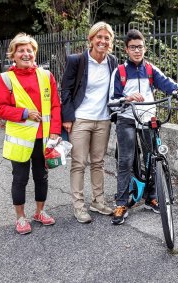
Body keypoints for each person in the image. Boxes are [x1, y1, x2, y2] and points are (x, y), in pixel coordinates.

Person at [109, 29, 178, 225]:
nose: (137, 51)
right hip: (127, 118)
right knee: (126, 160)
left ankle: (152, 196)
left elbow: (168, 84)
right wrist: (126, 99)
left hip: (147, 118)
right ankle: (121, 203)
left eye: (140, 47)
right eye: (133, 47)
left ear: (145, 48)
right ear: (126, 49)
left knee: (152, 158)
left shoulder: (150, 69)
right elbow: (112, 100)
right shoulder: (119, 71)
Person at [0, 33, 61, 234]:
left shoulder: (46, 76)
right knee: (20, 178)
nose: (26, 54)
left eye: (29, 50)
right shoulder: (6, 79)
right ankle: (20, 217)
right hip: (20, 140)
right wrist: (23, 113)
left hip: (44, 138)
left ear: (35, 53)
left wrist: (55, 131)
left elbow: (56, 105)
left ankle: (40, 212)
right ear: (13, 55)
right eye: (21, 50)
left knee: (42, 177)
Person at [61, 22, 118, 223]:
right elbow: (66, 90)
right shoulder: (77, 60)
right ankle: (79, 206)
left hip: (103, 119)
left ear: (110, 41)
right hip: (81, 119)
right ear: (91, 39)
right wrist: (67, 118)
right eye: (99, 37)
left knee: (98, 163)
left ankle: (98, 201)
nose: (102, 41)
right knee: (78, 163)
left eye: (106, 38)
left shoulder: (112, 62)